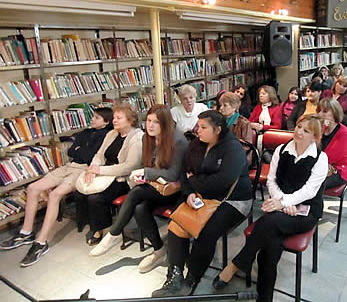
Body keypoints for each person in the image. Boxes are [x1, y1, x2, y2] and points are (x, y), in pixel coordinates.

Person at [212, 115, 328, 302]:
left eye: (306, 130)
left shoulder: (321, 159)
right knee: (270, 246)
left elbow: (309, 191)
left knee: (269, 221)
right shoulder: (282, 150)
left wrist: (284, 203)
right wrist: (282, 202)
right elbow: (272, 181)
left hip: (305, 211)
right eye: (298, 126)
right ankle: (264, 298)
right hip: (280, 205)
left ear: (315, 137)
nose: (298, 131)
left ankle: (237, 264)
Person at [151, 110, 252, 297]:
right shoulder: (197, 144)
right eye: (198, 126)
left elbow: (223, 181)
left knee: (207, 233)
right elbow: (184, 171)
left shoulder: (233, 148)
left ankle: (192, 278)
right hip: (201, 196)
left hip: (233, 199)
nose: (198, 130)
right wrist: (189, 192)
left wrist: (193, 182)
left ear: (218, 130)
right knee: (176, 225)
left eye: (204, 127)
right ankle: (175, 275)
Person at [0, 108, 113, 266]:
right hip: (69, 166)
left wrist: (80, 151)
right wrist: (80, 151)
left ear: (106, 122)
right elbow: (72, 151)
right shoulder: (85, 133)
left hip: (83, 170)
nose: (92, 119)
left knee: (55, 195)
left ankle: (41, 242)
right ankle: (26, 232)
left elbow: (92, 157)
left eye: (96, 118)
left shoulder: (108, 135)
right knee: (33, 188)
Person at [89, 105, 188, 273]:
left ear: (165, 123)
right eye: (149, 120)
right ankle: (158, 251)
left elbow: (172, 174)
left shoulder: (178, 140)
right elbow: (146, 165)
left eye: (156, 122)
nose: (150, 125)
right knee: (140, 209)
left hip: (174, 190)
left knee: (137, 192)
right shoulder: (147, 138)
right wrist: (141, 176)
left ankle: (113, 234)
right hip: (154, 186)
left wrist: (145, 173)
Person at [75, 103, 144, 245]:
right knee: (80, 193)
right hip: (105, 173)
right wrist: (93, 168)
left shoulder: (137, 138)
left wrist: (99, 170)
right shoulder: (111, 134)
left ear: (130, 120)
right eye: (114, 118)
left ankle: (104, 231)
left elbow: (130, 167)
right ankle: (97, 225)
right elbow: (99, 155)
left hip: (124, 179)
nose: (114, 121)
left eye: (119, 118)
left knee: (95, 198)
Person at [317, 98, 347, 189]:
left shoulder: (344, 133)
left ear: (335, 113)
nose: (320, 114)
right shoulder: (319, 128)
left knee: (314, 185)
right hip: (320, 166)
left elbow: (333, 156)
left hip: (339, 169)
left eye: (325, 111)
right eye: (319, 111)